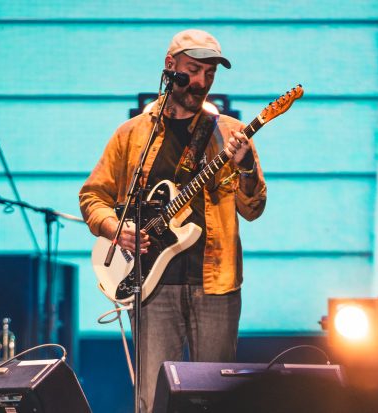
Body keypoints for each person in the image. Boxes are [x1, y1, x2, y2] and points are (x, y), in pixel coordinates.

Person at [79, 29, 267, 412]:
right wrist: (116, 229)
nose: (201, 82)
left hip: (216, 285)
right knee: (153, 399)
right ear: (171, 67)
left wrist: (246, 167)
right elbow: (92, 196)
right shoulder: (133, 135)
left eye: (210, 74)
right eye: (194, 70)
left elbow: (254, 208)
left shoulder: (231, 134)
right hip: (149, 283)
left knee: (215, 400)